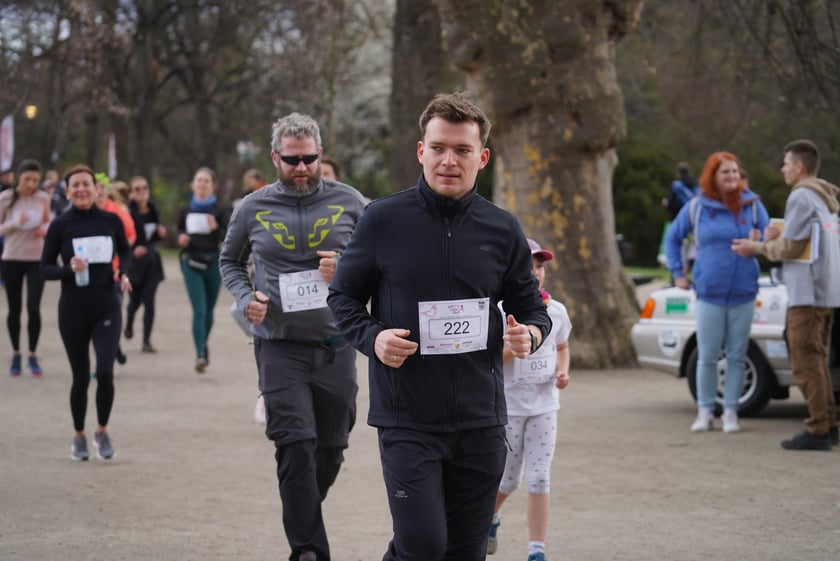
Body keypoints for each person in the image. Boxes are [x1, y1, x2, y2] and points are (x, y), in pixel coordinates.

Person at [327, 92, 552, 561]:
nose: (449, 160)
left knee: (466, 551)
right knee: (423, 545)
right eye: (439, 147)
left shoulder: (502, 228)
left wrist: (529, 334)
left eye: (463, 150)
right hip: (408, 418)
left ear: (482, 157)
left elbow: (533, 308)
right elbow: (342, 297)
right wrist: (373, 338)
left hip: (481, 420)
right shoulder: (381, 220)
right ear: (421, 151)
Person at [220, 112, 366, 561]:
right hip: (279, 344)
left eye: (309, 160)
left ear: (320, 155)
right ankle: (308, 550)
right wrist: (247, 301)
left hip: (336, 344)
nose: (301, 169)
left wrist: (345, 270)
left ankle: (301, 511)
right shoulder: (252, 207)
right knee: (295, 443)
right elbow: (229, 262)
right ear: (274, 158)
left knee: (331, 448)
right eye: (291, 160)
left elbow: (381, 264)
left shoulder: (353, 202)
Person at [732, 139, 840, 450]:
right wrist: (779, 236)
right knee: (818, 360)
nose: (782, 169)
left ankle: (818, 429)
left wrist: (757, 248)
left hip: (807, 293)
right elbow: (804, 239)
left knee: (805, 363)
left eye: (786, 163)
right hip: (826, 291)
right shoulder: (825, 198)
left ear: (800, 167)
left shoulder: (801, 197)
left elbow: (791, 247)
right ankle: (829, 424)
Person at [667, 151, 769, 433]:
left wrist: (761, 243)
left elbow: (772, 235)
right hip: (708, 293)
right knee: (708, 355)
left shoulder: (752, 205)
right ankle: (705, 411)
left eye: (735, 172)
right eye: (726, 172)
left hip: (744, 293)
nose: (732, 177)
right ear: (713, 176)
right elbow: (673, 238)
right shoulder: (697, 207)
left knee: (737, 355)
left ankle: (731, 413)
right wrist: (678, 273)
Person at [487, 238, 572, 561]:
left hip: (544, 406)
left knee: (539, 476)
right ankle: (489, 519)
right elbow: (490, 359)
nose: (535, 272)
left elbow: (562, 348)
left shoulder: (556, 311)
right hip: (508, 408)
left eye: (539, 266)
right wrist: (516, 347)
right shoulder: (498, 311)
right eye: (527, 266)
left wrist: (562, 372)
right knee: (508, 478)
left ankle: (536, 550)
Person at [41, 164, 132, 461]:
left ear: (95, 189)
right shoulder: (60, 225)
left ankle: (101, 431)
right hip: (73, 310)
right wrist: (67, 269)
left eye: (86, 184)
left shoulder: (110, 220)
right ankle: (79, 436)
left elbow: (126, 251)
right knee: (80, 377)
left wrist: (124, 273)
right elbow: (44, 269)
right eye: (75, 185)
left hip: (107, 303)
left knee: (105, 373)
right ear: (67, 192)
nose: (81, 190)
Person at [0, 159, 51, 376]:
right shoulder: (6, 198)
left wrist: (44, 229)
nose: (31, 184)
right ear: (18, 178)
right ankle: (16, 353)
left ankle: (32, 354)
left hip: (36, 259)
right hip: (12, 258)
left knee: (33, 307)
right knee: (15, 309)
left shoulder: (43, 198)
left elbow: (50, 221)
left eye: (35, 180)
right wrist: (15, 223)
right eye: (27, 179)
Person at [176, 167, 227, 373]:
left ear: (213, 185)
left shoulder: (220, 210)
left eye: (206, 181)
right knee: (199, 309)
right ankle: (200, 354)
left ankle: (203, 345)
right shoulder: (185, 210)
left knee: (209, 310)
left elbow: (228, 236)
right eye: (199, 180)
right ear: (193, 185)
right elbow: (178, 230)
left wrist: (216, 228)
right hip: (191, 262)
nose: (202, 184)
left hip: (213, 262)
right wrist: (180, 237)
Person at [95, 174, 136, 366]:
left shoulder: (117, 212)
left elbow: (130, 237)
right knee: (95, 318)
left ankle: (108, 357)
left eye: (101, 187)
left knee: (113, 313)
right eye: (94, 187)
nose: (97, 191)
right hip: (90, 275)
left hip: (115, 272)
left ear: (106, 190)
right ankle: (114, 348)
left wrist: (115, 252)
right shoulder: (84, 213)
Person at [125, 175, 166, 353]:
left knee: (149, 300)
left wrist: (160, 233)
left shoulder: (153, 210)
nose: (142, 192)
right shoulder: (128, 213)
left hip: (152, 263)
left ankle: (146, 341)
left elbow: (153, 237)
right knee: (134, 301)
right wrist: (133, 249)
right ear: (131, 193)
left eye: (144, 188)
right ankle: (129, 324)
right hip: (135, 264)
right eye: (137, 189)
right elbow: (124, 237)